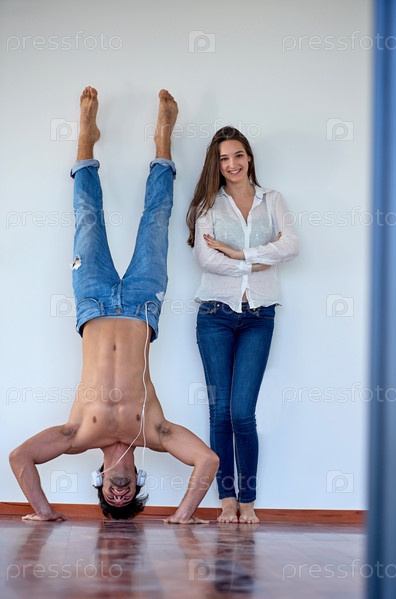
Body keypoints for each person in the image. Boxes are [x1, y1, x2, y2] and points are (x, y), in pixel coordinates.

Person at [9, 86, 219, 523]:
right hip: (142, 305)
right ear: (138, 481)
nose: (119, 493)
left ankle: (85, 141)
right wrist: (183, 515)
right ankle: (163, 142)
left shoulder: (76, 435)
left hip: (93, 303)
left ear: (100, 481)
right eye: (128, 497)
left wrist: (44, 511)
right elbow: (208, 461)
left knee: (87, 218)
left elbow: (19, 457)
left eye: (111, 497)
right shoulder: (155, 432)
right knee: (156, 220)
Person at [186, 127, 299, 523]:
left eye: (238, 155)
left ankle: (247, 500)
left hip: (259, 316)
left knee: (242, 413)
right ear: (216, 165)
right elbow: (206, 259)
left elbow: (292, 246)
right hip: (214, 316)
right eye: (223, 159)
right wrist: (258, 261)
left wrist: (238, 253)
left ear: (249, 156)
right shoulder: (208, 205)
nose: (232, 164)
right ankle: (227, 500)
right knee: (220, 413)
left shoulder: (273, 200)